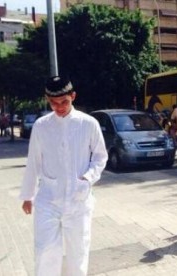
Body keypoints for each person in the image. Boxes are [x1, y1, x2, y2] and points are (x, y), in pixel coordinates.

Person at [19, 76, 108, 276]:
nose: (59, 107)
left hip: (79, 199)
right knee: (45, 253)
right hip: (48, 200)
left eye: (64, 102)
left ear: (73, 96)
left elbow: (101, 156)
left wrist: (87, 178)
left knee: (78, 254)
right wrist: (28, 195)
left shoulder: (88, 123)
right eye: (54, 103)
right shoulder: (41, 126)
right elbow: (33, 161)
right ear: (47, 100)